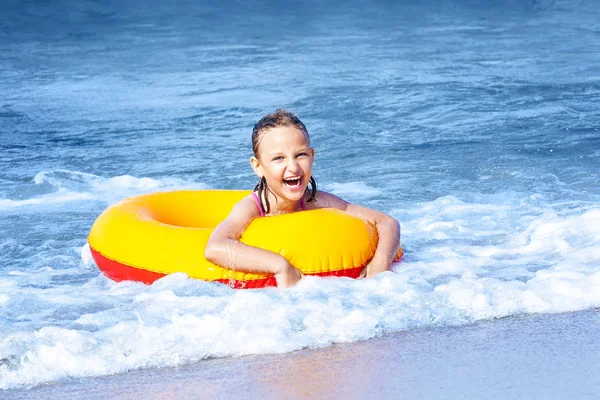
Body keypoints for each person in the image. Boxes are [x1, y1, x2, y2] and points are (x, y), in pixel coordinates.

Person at [204, 109, 401, 288]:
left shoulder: (316, 201)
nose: (293, 167)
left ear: (312, 155)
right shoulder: (252, 208)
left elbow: (386, 222)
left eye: (300, 155)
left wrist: (380, 263)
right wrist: (280, 265)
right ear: (258, 166)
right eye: (278, 158)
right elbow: (215, 247)